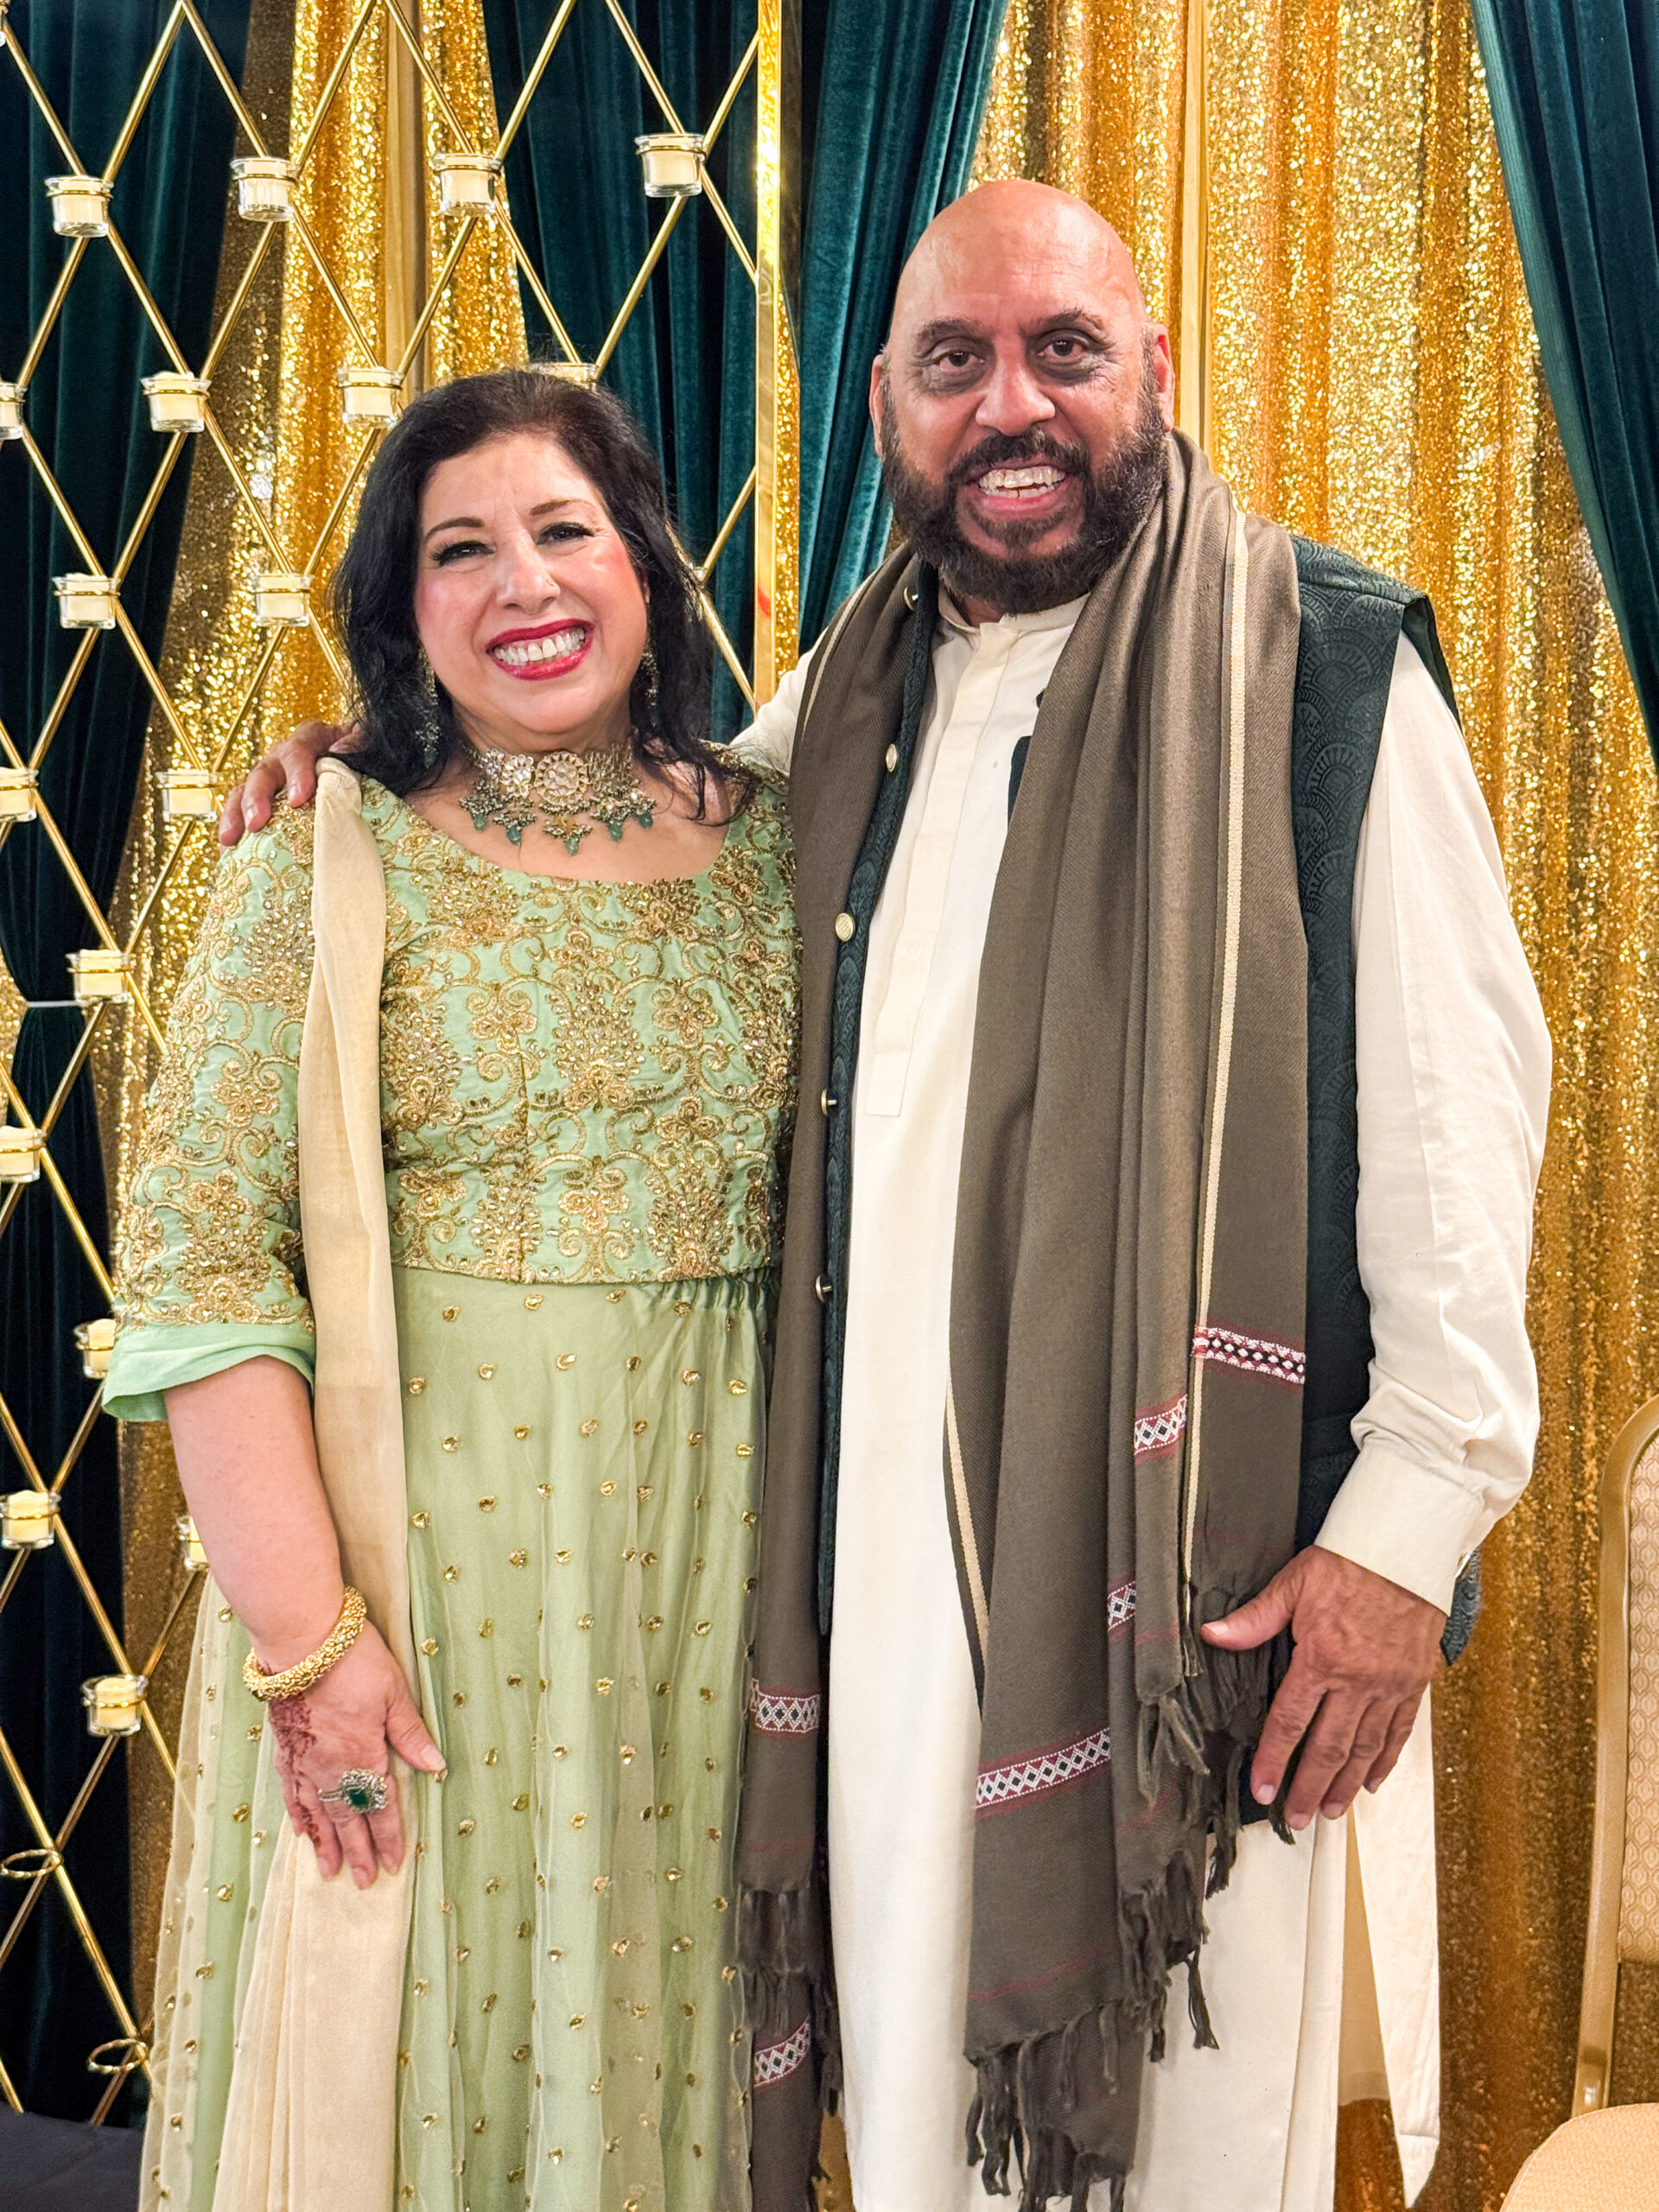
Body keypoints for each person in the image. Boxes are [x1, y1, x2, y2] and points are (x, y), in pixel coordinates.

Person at [228, 183, 1550, 2212]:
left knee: (1194, 2145)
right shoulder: (849, 696)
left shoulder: (1320, 671)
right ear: (886, 408)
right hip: (874, 1592)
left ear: (1153, 369)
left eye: (1064, 350)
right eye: (957, 362)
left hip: (1205, 1614)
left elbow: (1461, 1131)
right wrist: (375, 773)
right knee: (927, 2141)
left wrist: (1403, 1541)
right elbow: (616, 817)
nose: (1012, 404)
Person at [106, 367, 798, 2212]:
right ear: (402, 607)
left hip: (720, 1565)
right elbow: (200, 1263)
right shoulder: (324, 854)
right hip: (423, 1579)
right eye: (460, 550)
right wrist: (310, 1645)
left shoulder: (789, 839)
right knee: (429, 2042)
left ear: (645, 560)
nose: (525, 583)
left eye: (564, 529)